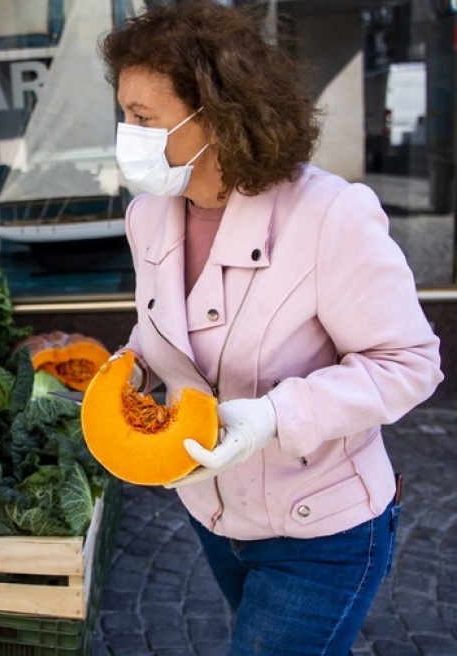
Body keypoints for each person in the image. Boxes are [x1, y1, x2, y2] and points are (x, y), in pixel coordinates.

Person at [100, 3, 442, 654]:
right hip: (213, 515)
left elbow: (410, 362)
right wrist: (126, 375)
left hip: (323, 531)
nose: (128, 135)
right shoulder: (148, 215)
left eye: (143, 119)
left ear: (218, 117)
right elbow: (158, 334)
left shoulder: (331, 215)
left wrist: (274, 416)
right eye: (125, 115)